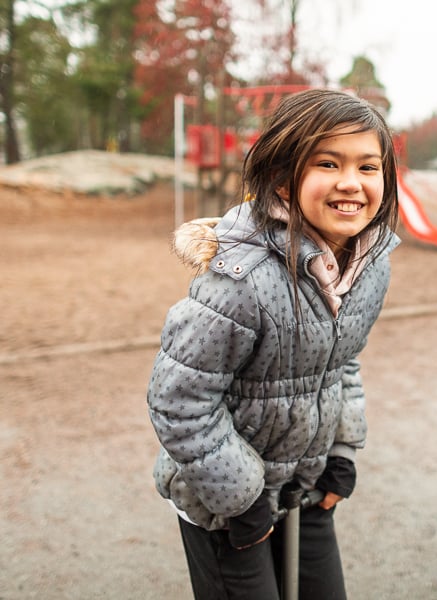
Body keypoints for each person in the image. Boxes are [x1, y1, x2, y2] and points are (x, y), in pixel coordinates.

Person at [147, 88, 400, 599]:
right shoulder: (240, 281)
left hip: (302, 484)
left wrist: (342, 453)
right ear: (284, 179)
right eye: (328, 163)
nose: (351, 183)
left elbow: (341, 360)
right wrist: (241, 499)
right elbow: (179, 400)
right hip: (225, 504)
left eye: (368, 167)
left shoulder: (368, 266)